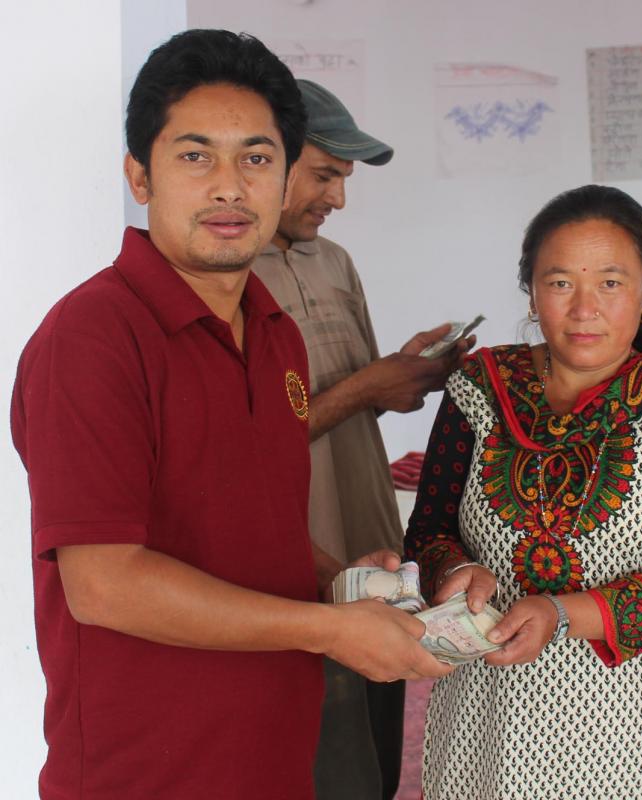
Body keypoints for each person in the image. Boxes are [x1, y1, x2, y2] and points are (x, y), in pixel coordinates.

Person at [10, 29, 450, 800]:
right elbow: (104, 584)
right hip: (145, 773)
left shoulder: (272, 329)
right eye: (194, 155)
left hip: (273, 755)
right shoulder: (93, 336)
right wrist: (327, 630)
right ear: (139, 176)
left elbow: (260, 532)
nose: (227, 185)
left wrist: (343, 581)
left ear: (282, 181)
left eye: (255, 157)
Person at [405, 184, 642, 800]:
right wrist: (454, 568)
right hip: (492, 712)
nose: (584, 308)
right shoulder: (481, 387)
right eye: (560, 283)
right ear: (531, 292)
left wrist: (561, 613)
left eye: (610, 283)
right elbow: (427, 529)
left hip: (637, 721)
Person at [253, 79, 470, 800]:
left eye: (342, 181)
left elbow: (345, 406)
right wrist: (366, 389)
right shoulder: (225, 279)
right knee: (318, 746)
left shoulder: (334, 262)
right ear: (267, 159)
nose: (336, 199)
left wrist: (403, 377)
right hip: (289, 553)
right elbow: (230, 449)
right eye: (324, 176)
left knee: (376, 735)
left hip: (366, 538)